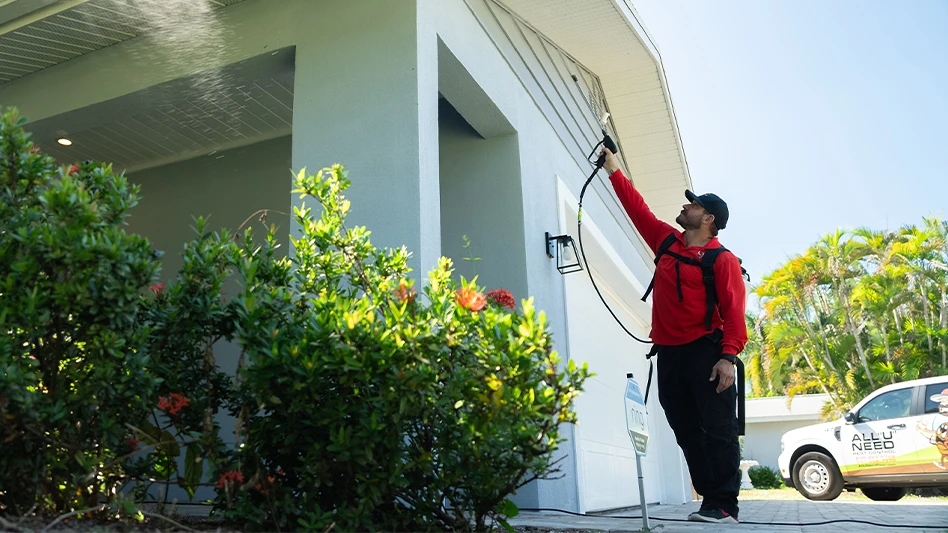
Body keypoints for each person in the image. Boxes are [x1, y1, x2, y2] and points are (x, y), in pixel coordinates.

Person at [600, 147, 748, 524]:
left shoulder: (722, 260)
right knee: (685, 428)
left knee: (719, 428)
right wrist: (613, 167)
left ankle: (724, 505)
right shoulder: (666, 241)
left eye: (693, 205)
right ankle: (709, 499)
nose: (685, 207)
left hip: (707, 352)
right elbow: (637, 210)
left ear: (708, 218)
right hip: (669, 352)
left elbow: (734, 314)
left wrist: (727, 358)